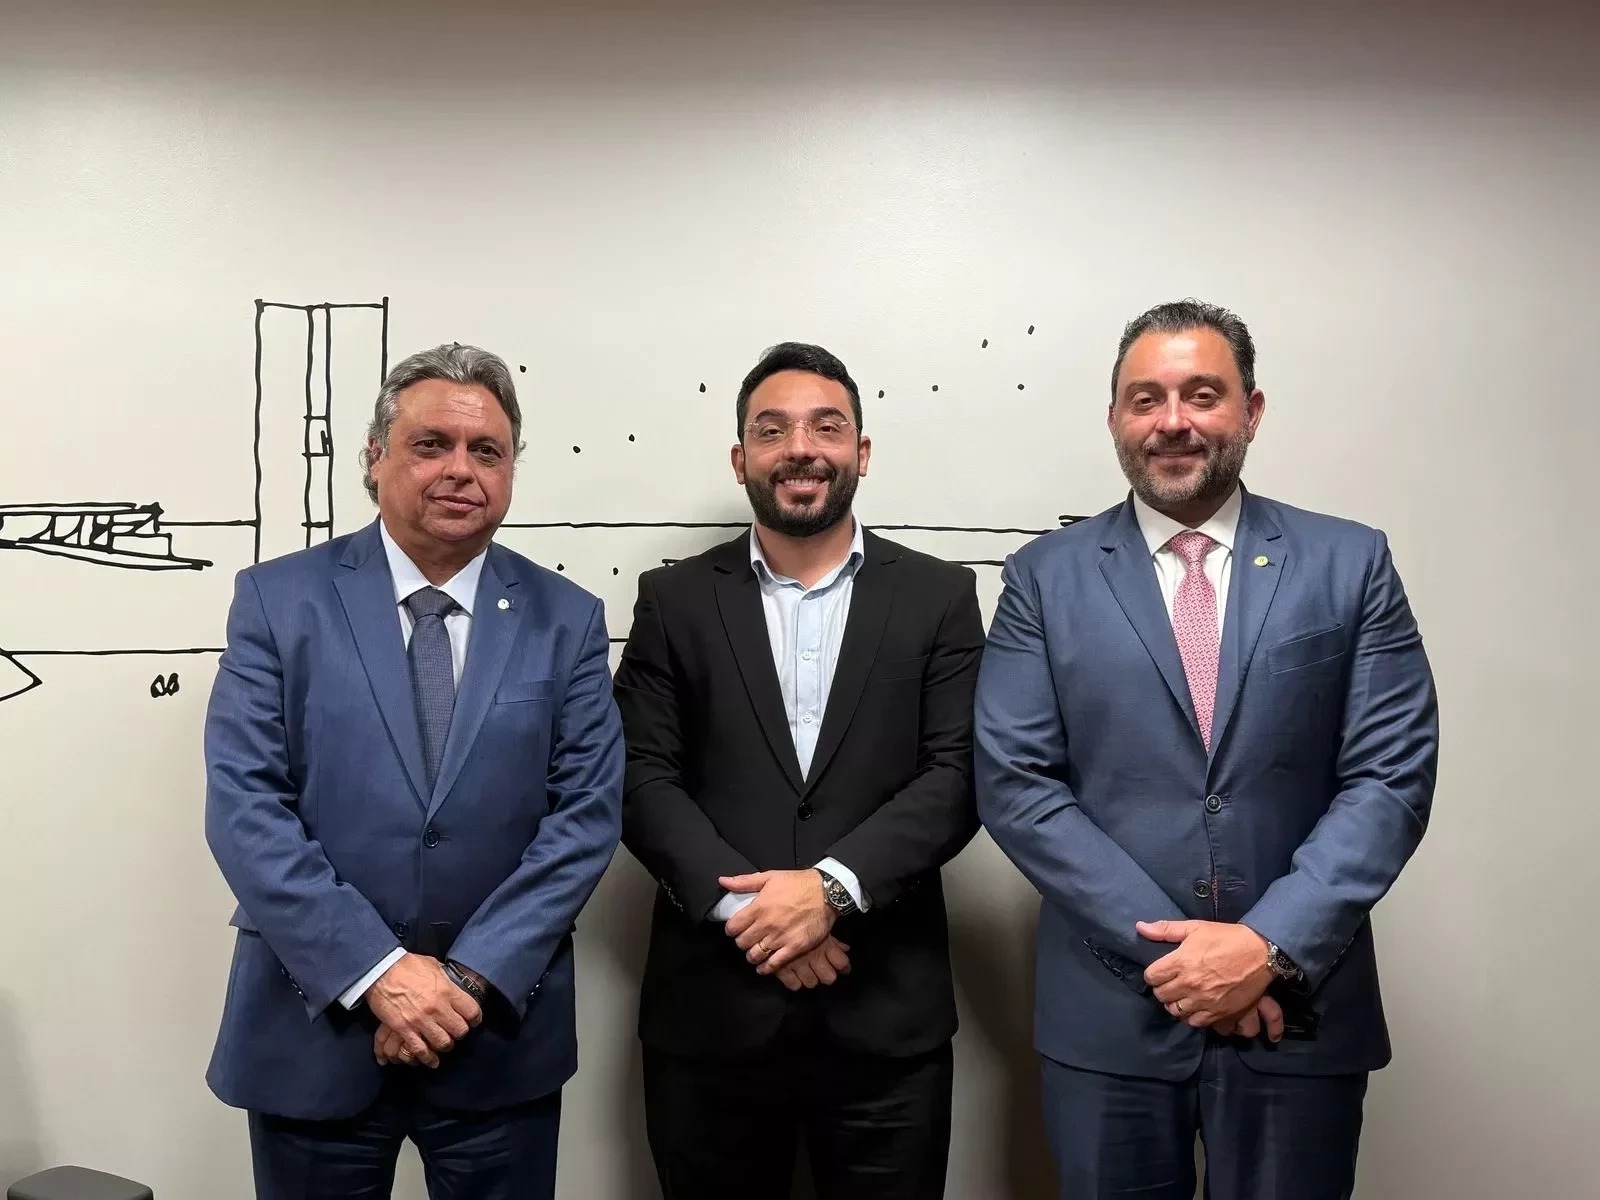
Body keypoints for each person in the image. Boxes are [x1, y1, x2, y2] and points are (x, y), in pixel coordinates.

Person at [974, 299, 1439, 1199]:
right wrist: (1181, 963)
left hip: (1296, 1008)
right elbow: (1017, 784)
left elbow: (1390, 776)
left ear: (1250, 410)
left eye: (1202, 394)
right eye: (1145, 399)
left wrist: (1267, 947)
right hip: (1111, 1018)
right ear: (1115, 418)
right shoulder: (1043, 577)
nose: (1173, 421)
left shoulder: (1350, 562)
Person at [202, 343, 624, 1199]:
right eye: (432, 444)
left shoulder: (567, 619)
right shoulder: (278, 601)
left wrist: (461, 981)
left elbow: (584, 818)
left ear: (510, 470)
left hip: (495, 1033)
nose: (461, 470)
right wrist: (379, 974)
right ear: (375, 456)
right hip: (315, 1029)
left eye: (487, 450)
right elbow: (247, 807)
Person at [613, 341, 984, 1199]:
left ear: (862, 451)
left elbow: (959, 772)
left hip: (886, 1020)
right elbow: (638, 773)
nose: (800, 449)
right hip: (712, 1021)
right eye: (771, 430)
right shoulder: (674, 599)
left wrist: (830, 892)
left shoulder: (939, 596)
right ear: (740, 458)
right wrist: (754, 913)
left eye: (826, 426)